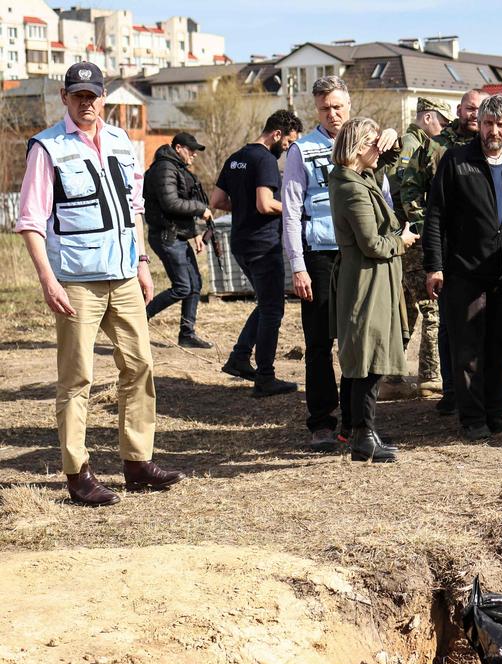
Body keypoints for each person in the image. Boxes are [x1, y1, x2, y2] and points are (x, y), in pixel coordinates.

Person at [16, 61, 185, 506]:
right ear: (64, 98)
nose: (86, 103)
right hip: (75, 282)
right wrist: (47, 279)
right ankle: (78, 473)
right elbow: (30, 221)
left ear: (103, 97)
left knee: (140, 366)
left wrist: (144, 262)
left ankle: (137, 462)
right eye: (78, 96)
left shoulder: (120, 141)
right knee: (77, 378)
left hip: (125, 275)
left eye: (93, 95)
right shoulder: (46, 148)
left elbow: (134, 210)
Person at [282, 76, 398, 450]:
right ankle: (321, 420)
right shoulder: (303, 150)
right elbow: (290, 211)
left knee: (357, 340)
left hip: (361, 254)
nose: (332, 114)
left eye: (338, 107)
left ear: (349, 106)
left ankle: (355, 422)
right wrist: (297, 265)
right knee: (319, 342)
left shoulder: (368, 143)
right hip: (321, 255)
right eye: (324, 108)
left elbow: (384, 196)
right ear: (315, 110)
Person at [424, 94, 502, 440]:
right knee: (467, 346)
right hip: (464, 271)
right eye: (488, 124)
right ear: (479, 125)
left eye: (501, 125)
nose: (494, 131)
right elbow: (435, 215)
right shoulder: (456, 161)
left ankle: (496, 410)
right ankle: (472, 418)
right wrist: (434, 266)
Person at [329, 117, 417, 462]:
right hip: (367, 278)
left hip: (371, 277)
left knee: (361, 356)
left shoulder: (358, 177)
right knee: (369, 358)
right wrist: (402, 241)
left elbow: (391, 164)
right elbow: (371, 244)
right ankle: (363, 435)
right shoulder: (351, 187)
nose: (378, 151)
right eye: (373, 144)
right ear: (358, 147)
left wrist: (392, 140)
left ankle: (355, 430)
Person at [210, 109, 304, 399]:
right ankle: (265, 377)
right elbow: (265, 204)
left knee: (266, 304)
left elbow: (217, 201)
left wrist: (245, 206)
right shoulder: (264, 159)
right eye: (287, 143)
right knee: (273, 309)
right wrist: (295, 209)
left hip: (241, 243)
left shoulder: (236, 157)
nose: (286, 150)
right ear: (276, 134)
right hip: (263, 246)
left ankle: (239, 357)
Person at [397, 97, 452, 396]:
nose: (443, 128)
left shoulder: (417, 142)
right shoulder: (412, 144)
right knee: (432, 307)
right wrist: (423, 227)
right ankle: (430, 377)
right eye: (442, 122)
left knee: (407, 308)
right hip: (414, 236)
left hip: (408, 235)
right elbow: (406, 191)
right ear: (428, 116)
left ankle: (393, 376)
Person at [143, 131, 214, 348]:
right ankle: (137, 320)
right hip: (166, 237)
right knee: (183, 286)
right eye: (191, 150)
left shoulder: (175, 168)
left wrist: (194, 234)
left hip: (177, 235)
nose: (194, 154)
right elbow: (171, 204)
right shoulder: (165, 168)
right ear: (178, 148)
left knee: (194, 284)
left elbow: (178, 208)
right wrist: (201, 209)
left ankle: (187, 334)